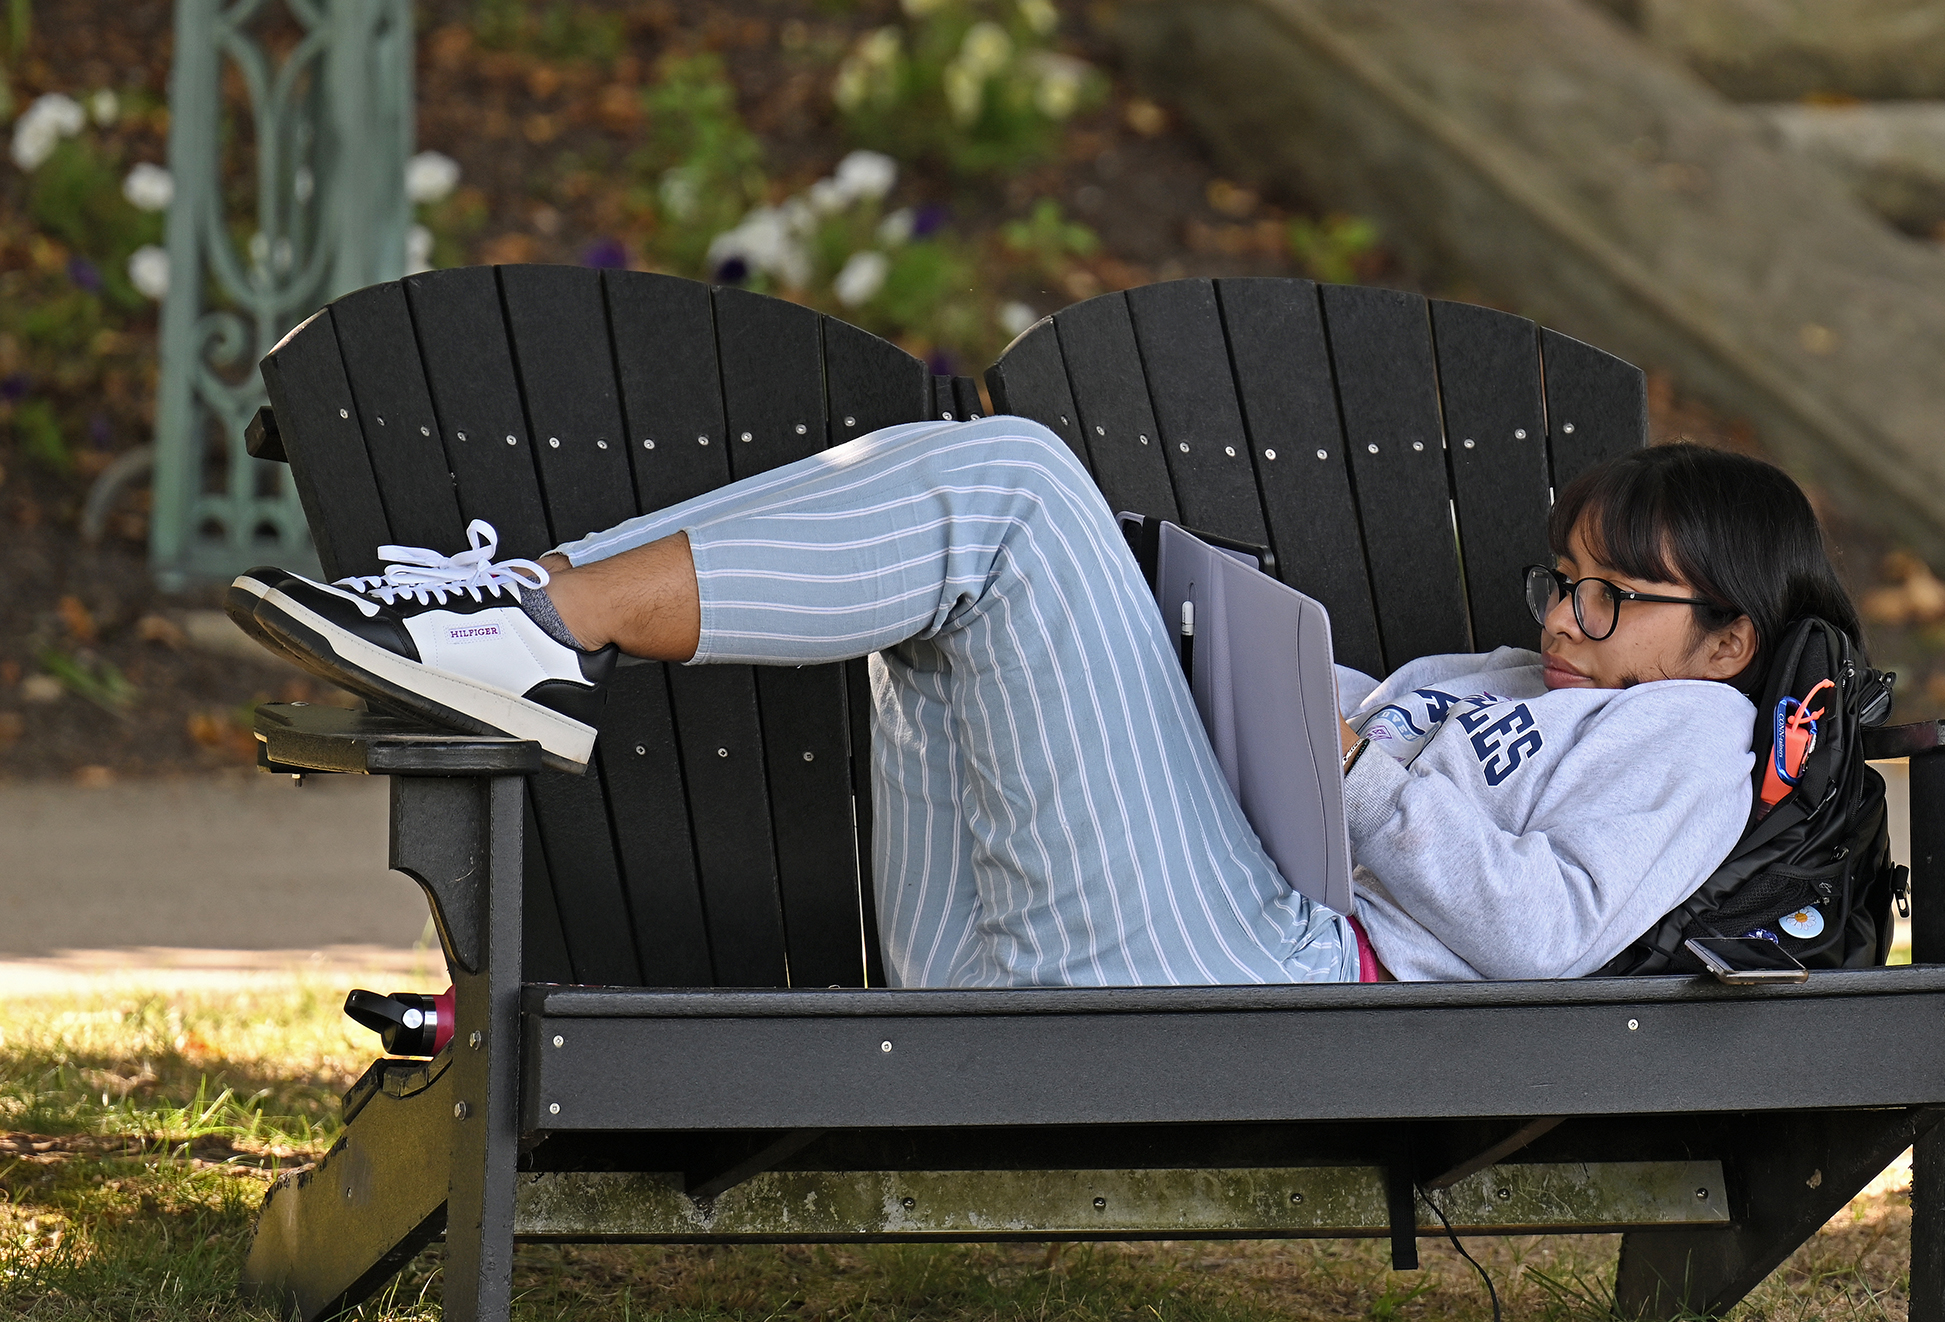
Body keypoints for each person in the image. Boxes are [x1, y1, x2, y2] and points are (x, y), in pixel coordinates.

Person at [229, 420, 1859, 989]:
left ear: (1723, 639)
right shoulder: (1488, 678)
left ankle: (528, 617)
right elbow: (1340, 729)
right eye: (1557, 581)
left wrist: (1356, 765)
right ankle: (509, 607)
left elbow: (1543, 933)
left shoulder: (1692, 738)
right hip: (1048, 947)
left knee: (1010, 484)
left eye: (1609, 600)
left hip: (1276, 982)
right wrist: (1246, 676)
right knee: (948, 500)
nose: (1565, 620)